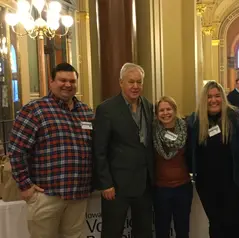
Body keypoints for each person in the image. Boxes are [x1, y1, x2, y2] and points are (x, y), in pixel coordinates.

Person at [8, 63, 94, 238]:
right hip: (47, 195)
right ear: (51, 82)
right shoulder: (35, 110)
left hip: (78, 194)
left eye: (72, 81)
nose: (68, 85)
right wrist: (25, 186)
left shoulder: (86, 112)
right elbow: (16, 150)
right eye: (62, 80)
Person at [93, 63, 154, 238]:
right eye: (131, 82)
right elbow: (99, 150)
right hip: (117, 187)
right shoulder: (106, 109)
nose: (135, 86)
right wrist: (105, 183)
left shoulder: (149, 107)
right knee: (112, 232)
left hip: (144, 184)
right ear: (121, 83)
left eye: (139, 82)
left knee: (144, 232)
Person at [187, 81, 239, 237]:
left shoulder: (237, 118)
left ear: (223, 97)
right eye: (209, 96)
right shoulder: (195, 122)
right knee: (215, 225)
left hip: (235, 184)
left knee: (233, 225)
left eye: (217, 96)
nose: (213, 100)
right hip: (207, 185)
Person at [153, 96, 193, 238]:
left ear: (175, 110)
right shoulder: (152, 132)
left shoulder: (186, 129)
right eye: (161, 110)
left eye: (168, 109)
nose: (165, 113)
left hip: (183, 188)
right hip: (160, 189)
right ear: (157, 114)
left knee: (182, 230)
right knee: (161, 230)